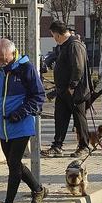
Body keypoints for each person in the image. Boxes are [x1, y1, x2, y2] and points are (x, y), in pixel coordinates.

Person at [0, 38, 48, 203]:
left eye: (3, 59)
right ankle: (38, 189)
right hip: (3, 126)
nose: (0, 62)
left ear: (13, 54)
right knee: (15, 164)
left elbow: (38, 96)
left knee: (13, 165)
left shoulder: (26, 68)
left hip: (21, 124)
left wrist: (20, 113)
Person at [41, 21, 91, 158]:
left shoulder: (74, 45)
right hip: (63, 91)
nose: (53, 38)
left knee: (79, 119)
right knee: (60, 118)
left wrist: (72, 86)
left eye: (53, 35)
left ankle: (84, 146)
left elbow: (78, 67)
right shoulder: (63, 46)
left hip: (75, 91)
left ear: (57, 34)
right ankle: (57, 145)